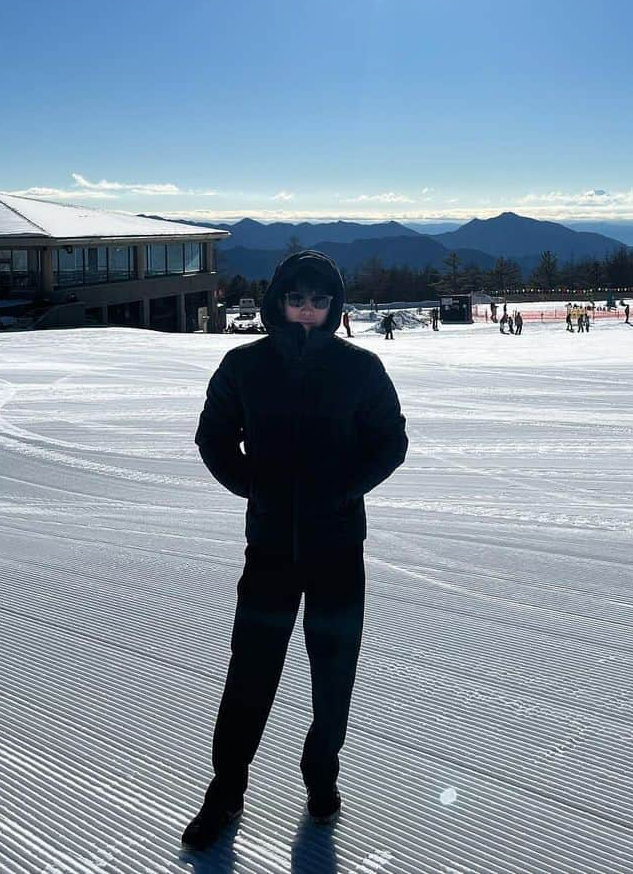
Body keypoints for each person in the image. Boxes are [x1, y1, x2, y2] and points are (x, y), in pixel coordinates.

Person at [185, 251, 408, 850]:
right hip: (270, 548)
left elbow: (390, 440)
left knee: (333, 675)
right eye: (296, 299)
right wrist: (253, 486)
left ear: (333, 308)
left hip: (338, 547)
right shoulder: (244, 365)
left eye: (319, 301)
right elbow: (213, 438)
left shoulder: (360, 368)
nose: (307, 311)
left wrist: (344, 487)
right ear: (277, 302)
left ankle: (322, 776)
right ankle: (226, 790)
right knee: (250, 675)